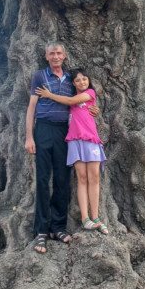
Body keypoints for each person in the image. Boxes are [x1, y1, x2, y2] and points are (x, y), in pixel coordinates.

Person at [25, 43, 99, 254]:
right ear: (46, 56)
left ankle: (58, 227)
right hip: (43, 129)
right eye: (51, 53)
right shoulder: (40, 76)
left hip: (64, 133)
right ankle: (40, 230)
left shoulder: (71, 80)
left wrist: (93, 109)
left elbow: (80, 102)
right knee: (42, 179)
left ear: (64, 56)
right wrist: (29, 136)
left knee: (62, 179)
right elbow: (31, 107)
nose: (55, 56)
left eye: (59, 53)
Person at [35, 68, 108, 236]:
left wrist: (49, 94)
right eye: (77, 80)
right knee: (81, 179)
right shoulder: (71, 103)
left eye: (84, 79)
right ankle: (85, 218)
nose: (82, 82)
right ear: (73, 84)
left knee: (94, 177)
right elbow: (67, 105)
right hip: (75, 141)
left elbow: (69, 101)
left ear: (89, 81)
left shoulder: (89, 93)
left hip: (91, 141)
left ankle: (96, 217)